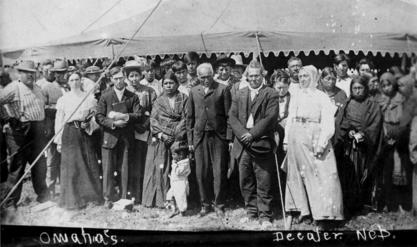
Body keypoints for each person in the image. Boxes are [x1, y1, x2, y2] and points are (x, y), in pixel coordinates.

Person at [283, 65, 343, 227]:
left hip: (315, 137)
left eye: (306, 76)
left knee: (323, 176)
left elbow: (328, 123)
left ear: (314, 78)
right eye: (300, 76)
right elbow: (290, 119)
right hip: (296, 137)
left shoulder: (321, 97)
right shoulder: (296, 95)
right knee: (295, 176)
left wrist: (322, 143)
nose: (302, 79)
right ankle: (301, 211)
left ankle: (322, 215)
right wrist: (286, 140)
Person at [229, 60, 279, 227]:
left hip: (261, 142)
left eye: (257, 75)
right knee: (246, 180)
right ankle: (251, 212)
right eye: (251, 76)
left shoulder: (270, 93)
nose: (254, 79)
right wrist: (243, 134)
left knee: (263, 181)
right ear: (247, 77)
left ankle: (265, 215)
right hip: (242, 143)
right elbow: (232, 117)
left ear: (262, 76)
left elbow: (270, 118)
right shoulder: (239, 93)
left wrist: (252, 134)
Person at [334, 75, 383, 218]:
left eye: (360, 88)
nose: (357, 91)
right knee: (349, 175)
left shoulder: (372, 104)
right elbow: (341, 122)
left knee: (363, 174)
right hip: (349, 148)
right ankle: (349, 205)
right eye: (355, 88)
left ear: (365, 88)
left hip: (365, 149)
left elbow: (375, 124)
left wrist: (363, 134)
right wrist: (348, 132)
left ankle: (361, 204)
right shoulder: (347, 103)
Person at [1, 60, 49, 207]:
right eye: (27, 73)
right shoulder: (14, 87)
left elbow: (43, 107)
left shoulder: (38, 88)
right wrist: (7, 118)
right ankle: (10, 202)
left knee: (40, 164)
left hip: (38, 130)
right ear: (19, 74)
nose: (30, 76)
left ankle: (43, 196)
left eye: (32, 73)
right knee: (18, 167)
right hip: (20, 132)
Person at [187, 63, 231, 217]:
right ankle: (205, 204)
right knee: (201, 172)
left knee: (219, 171)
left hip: (218, 136)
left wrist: (229, 138)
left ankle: (219, 204)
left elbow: (228, 116)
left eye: (208, 76)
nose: (206, 80)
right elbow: (189, 117)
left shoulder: (222, 89)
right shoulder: (193, 91)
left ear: (213, 75)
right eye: (202, 77)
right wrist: (190, 140)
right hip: (200, 136)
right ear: (198, 77)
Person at [54, 72, 102, 209]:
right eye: (71, 80)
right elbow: (59, 121)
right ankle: (72, 199)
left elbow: (95, 118)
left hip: (85, 133)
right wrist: (59, 141)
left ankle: (90, 197)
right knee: (71, 165)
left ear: (81, 81)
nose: (75, 82)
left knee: (88, 162)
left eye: (77, 79)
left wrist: (89, 124)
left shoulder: (89, 98)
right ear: (68, 83)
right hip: (69, 133)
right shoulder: (63, 100)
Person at [95, 66, 142, 207]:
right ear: (111, 79)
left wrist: (126, 117)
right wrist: (113, 124)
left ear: (125, 78)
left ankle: (124, 197)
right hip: (110, 137)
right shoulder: (105, 95)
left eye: (121, 78)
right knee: (108, 168)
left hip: (126, 137)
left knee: (125, 167)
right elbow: (99, 116)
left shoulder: (132, 96)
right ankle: (107, 197)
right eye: (116, 78)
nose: (119, 81)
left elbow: (138, 114)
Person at [142, 70, 188, 208]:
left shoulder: (184, 98)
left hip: (179, 139)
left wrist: (175, 134)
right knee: (159, 168)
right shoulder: (158, 100)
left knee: (177, 171)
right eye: (165, 83)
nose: (168, 86)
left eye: (171, 83)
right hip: (161, 139)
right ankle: (160, 200)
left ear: (177, 84)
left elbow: (186, 118)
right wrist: (162, 135)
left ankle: (177, 200)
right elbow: (154, 120)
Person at [375, 72, 411, 212]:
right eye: (383, 85)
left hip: (401, 139)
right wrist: (386, 137)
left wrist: (398, 136)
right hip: (385, 141)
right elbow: (379, 120)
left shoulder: (401, 99)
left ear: (393, 84)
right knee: (387, 172)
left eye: (388, 85)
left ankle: (404, 203)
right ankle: (390, 204)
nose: (386, 88)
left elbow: (406, 120)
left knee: (402, 170)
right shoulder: (380, 100)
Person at [124, 60, 157, 203]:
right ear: (127, 77)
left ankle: (141, 195)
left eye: (136, 75)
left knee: (141, 162)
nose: (134, 79)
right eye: (131, 76)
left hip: (143, 130)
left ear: (141, 75)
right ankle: (128, 193)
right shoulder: (124, 91)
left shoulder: (149, 91)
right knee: (128, 162)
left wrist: (145, 125)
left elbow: (155, 111)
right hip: (126, 130)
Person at [165, 141, 191, 217]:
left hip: (181, 184)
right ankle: (174, 209)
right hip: (175, 184)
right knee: (170, 195)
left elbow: (178, 172)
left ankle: (182, 211)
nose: (172, 156)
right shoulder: (177, 162)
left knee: (180, 198)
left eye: (174, 154)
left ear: (181, 155)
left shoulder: (184, 164)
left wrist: (174, 165)